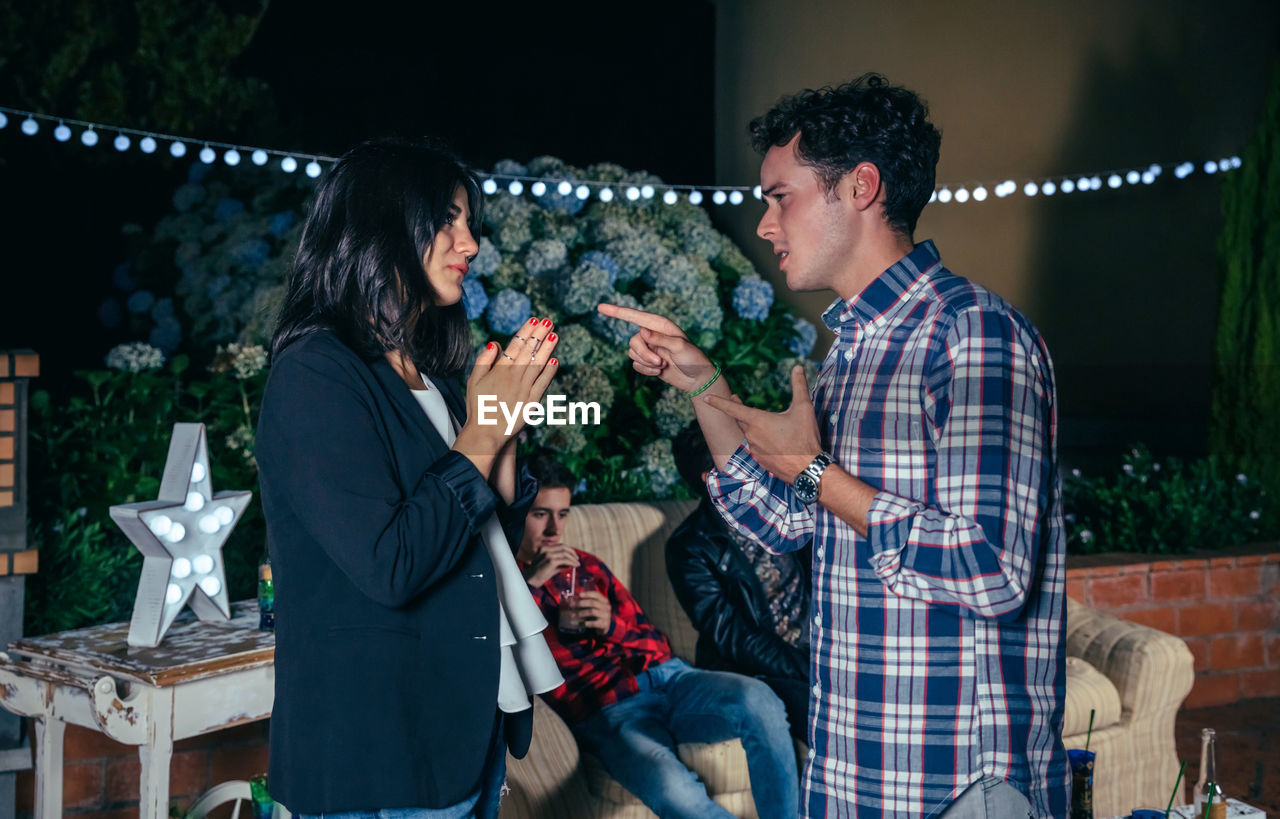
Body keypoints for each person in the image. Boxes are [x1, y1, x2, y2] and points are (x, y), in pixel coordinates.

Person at [598, 73, 1070, 818]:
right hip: (851, 769)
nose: (763, 223)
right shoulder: (849, 350)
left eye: (779, 195)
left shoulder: (972, 334)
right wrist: (702, 384)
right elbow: (783, 521)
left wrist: (818, 472)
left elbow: (993, 572)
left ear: (861, 187)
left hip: (952, 782)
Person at [256, 138, 563, 818]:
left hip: (458, 733)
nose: (471, 243)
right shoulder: (315, 374)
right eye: (448, 219)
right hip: (379, 758)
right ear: (383, 227)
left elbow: (480, 542)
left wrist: (502, 432)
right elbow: (390, 563)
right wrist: (481, 431)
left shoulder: (430, 374)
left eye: (469, 221)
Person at [516, 454, 801, 819]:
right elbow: (504, 656)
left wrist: (611, 626)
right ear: (518, 511)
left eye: (564, 513)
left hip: (671, 681)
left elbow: (657, 646)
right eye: (541, 514)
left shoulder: (586, 565)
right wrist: (531, 587)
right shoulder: (505, 584)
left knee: (760, 698)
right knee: (670, 787)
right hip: (608, 708)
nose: (555, 529)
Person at [666, 423, 811, 742]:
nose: (758, 464)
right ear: (713, 479)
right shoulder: (690, 547)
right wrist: (808, 668)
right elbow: (733, 637)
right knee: (824, 718)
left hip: (821, 650)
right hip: (761, 672)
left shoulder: (783, 510)